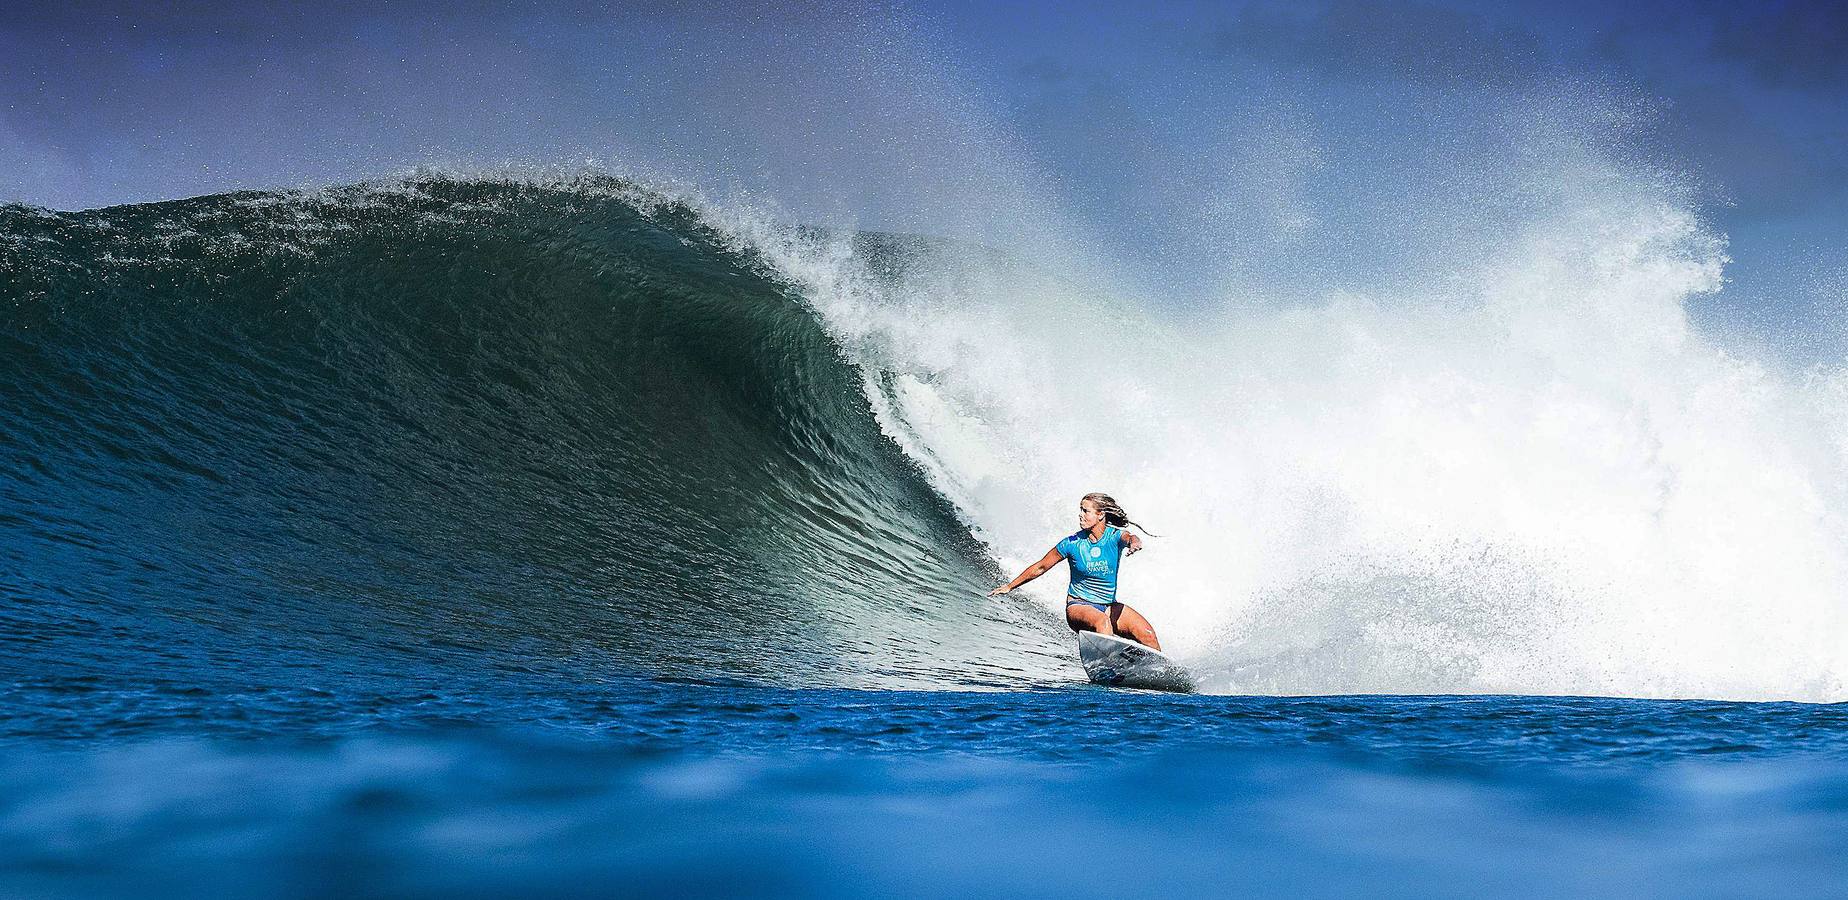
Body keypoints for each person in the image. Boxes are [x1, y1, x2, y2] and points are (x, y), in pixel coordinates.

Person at [988, 492, 1162, 650]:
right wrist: (1010, 586)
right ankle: (1109, 667)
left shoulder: (1114, 537)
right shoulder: (1071, 543)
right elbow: (1041, 566)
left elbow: (1129, 537)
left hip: (1108, 605)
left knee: (1148, 634)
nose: (1080, 514)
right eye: (1080, 509)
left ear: (1100, 515)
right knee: (1102, 622)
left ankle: (1159, 674)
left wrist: (1134, 542)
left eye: (1086, 511)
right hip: (1079, 605)